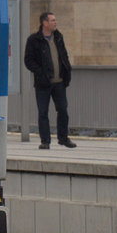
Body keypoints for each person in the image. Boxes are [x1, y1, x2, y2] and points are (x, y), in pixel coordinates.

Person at [23, 11, 76, 149]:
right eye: (52, 20)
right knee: (43, 113)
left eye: (55, 20)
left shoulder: (58, 37)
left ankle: (63, 138)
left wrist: (67, 70)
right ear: (44, 23)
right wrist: (40, 73)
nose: (55, 22)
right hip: (43, 83)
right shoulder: (34, 40)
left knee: (63, 110)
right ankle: (45, 141)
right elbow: (28, 61)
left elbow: (64, 55)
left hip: (59, 82)